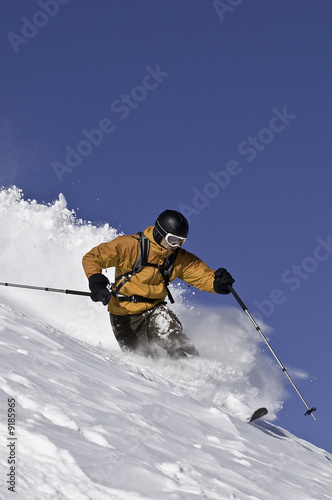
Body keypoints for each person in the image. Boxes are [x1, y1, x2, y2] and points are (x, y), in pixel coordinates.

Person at [82, 210, 234, 359]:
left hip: (155, 310)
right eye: (173, 239)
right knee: (145, 364)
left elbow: (201, 275)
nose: (176, 245)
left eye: (181, 241)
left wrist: (217, 283)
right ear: (160, 233)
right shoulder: (130, 246)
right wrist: (97, 283)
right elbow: (93, 257)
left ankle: (196, 370)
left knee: (178, 343)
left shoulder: (177, 258)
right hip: (123, 314)